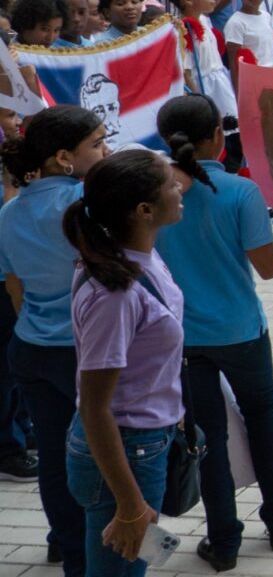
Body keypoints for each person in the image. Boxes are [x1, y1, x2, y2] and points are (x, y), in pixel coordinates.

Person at [154, 97, 273, 569]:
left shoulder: (153, 195)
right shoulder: (241, 192)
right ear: (218, 137)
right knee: (264, 418)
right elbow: (270, 266)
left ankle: (223, 543)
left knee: (208, 438)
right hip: (241, 331)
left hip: (186, 338)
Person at [60, 148, 186, 575]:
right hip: (126, 453)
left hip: (146, 441)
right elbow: (95, 406)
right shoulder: (116, 295)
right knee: (119, 568)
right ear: (144, 210)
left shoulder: (139, 258)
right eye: (171, 183)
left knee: (132, 563)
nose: (181, 187)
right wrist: (130, 503)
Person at [0, 107, 109, 574]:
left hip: (32, 348)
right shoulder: (86, 205)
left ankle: (67, 546)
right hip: (86, 351)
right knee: (104, 455)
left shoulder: (10, 210)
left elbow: (14, 286)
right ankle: (98, 552)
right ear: (64, 157)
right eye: (98, 144)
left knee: (54, 456)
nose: (105, 153)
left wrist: (38, 326)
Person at [222, 0, 273, 75]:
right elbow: (234, 63)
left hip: (272, 74)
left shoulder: (266, 16)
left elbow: (269, 51)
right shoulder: (236, 23)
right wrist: (238, 90)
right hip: (252, 77)